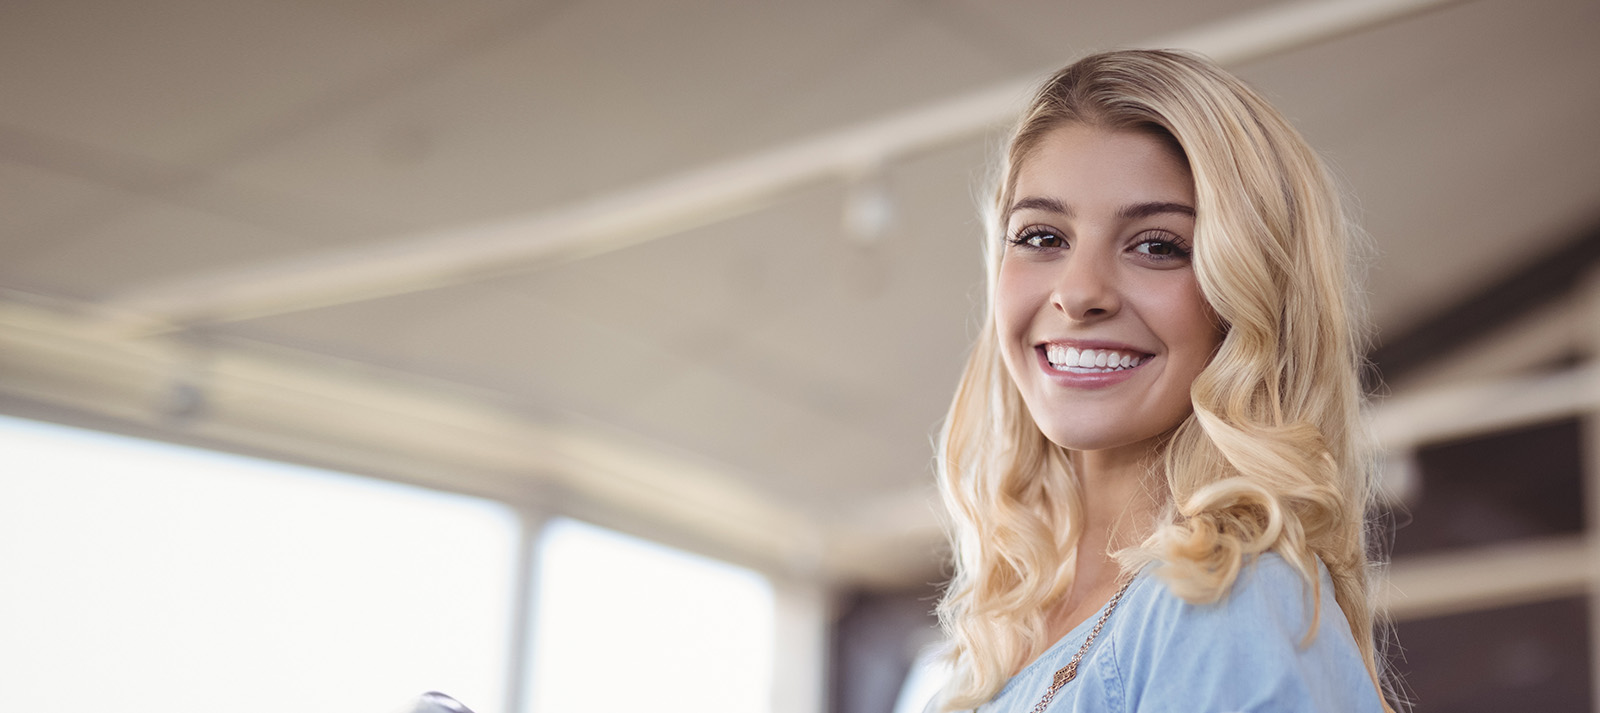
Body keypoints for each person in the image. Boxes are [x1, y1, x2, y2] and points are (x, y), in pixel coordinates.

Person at [931, 49, 1396, 712]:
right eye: (1040, 235)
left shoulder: (1228, 595)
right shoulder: (1002, 636)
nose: (1080, 291)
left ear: (1250, 295)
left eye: (1157, 245)